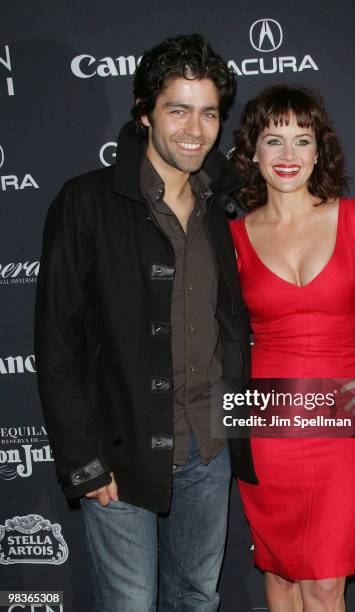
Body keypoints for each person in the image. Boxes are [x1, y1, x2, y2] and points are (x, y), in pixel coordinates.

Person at [34, 33, 257, 612]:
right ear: (144, 113)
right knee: (130, 603)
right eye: (177, 109)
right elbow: (56, 343)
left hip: (208, 448)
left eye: (208, 112)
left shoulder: (220, 207)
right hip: (120, 451)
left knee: (197, 598)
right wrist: (83, 462)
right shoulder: (87, 202)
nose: (194, 128)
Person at [229, 85, 355, 612]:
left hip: (341, 418)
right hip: (267, 420)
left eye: (302, 140)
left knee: (324, 582)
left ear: (319, 149)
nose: (288, 156)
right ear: (253, 151)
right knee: (279, 573)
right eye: (274, 141)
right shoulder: (232, 236)